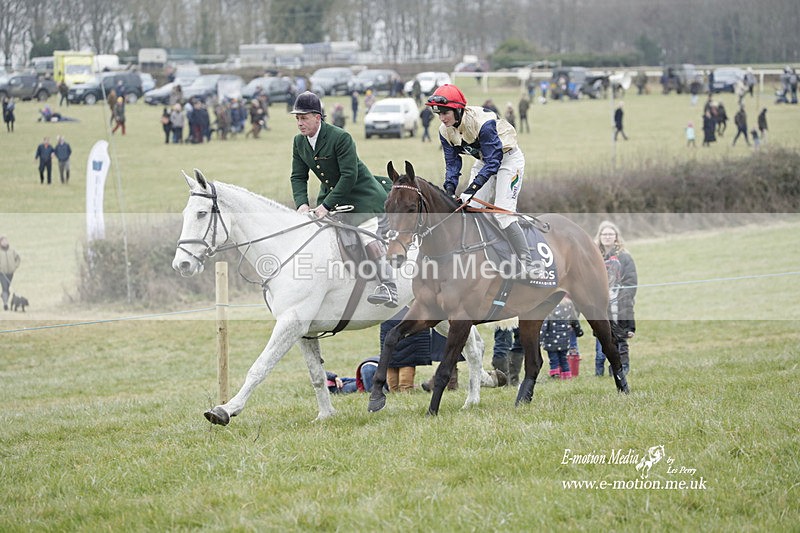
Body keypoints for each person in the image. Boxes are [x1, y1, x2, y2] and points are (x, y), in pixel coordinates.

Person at [289, 91, 397, 307]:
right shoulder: (299, 142)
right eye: (297, 118)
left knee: (366, 234)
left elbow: (349, 176)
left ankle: (389, 286)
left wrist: (326, 206)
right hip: (331, 196)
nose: (300, 123)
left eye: (304, 118)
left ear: (317, 117)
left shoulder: (340, 137)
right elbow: (298, 176)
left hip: (361, 196)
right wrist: (302, 203)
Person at [425, 84, 536, 277]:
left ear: (457, 109)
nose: (442, 119)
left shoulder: (483, 123)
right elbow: (452, 163)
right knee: (469, 209)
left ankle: (528, 263)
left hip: (507, 160)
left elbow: (494, 162)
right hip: (484, 161)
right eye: (438, 114)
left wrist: (472, 188)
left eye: (445, 113)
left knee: (502, 213)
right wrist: (450, 190)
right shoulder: (445, 131)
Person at [594, 221, 637, 376]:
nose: (607, 237)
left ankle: (620, 370)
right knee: (601, 335)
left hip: (619, 302)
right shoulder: (594, 255)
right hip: (600, 302)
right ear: (599, 236)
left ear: (616, 237)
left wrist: (624, 298)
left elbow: (631, 281)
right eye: (604, 234)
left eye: (610, 234)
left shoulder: (624, 257)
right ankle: (599, 372)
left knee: (620, 336)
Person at [541, 295, 583, 379]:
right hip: (565, 339)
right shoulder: (568, 304)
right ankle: (567, 375)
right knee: (564, 359)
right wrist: (579, 332)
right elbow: (574, 320)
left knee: (554, 360)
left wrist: (539, 338)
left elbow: (544, 325)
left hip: (551, 340)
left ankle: (555, 374)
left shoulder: (548, 305)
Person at [0, 236, 21, 311]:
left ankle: (4, 297)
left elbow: (18, 258)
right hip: (2, 274)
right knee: (5, 288)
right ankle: (5, 303)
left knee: (7, 288)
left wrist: (15, 266)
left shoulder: (12, 251)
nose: (5, 242)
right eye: (3, 241)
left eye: (6, 241)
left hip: (10, 273)